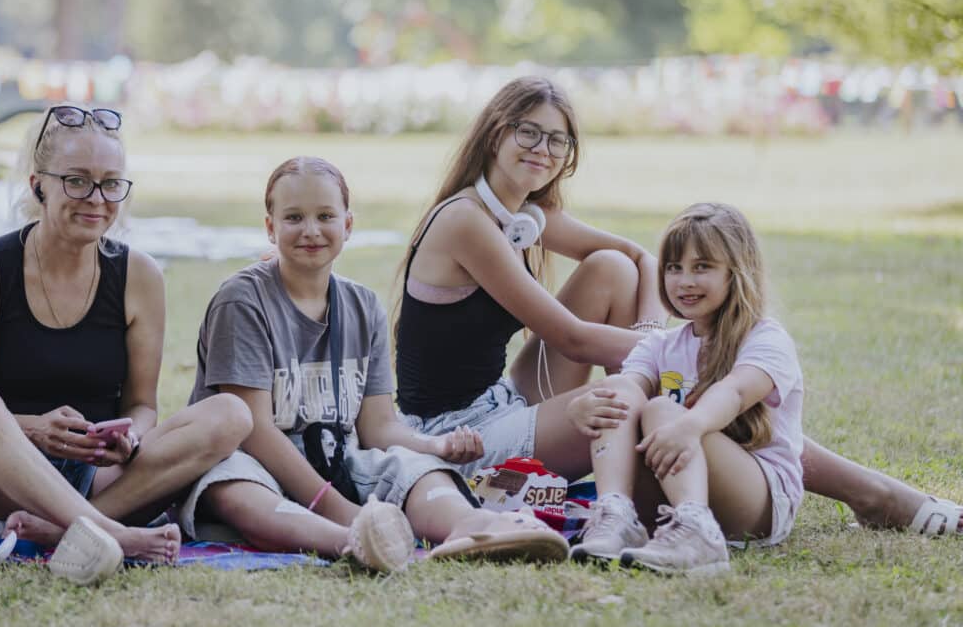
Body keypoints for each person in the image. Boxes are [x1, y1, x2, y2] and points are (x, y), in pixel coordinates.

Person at [395, 76, 961, 538]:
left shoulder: (525, 214)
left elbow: (637, 257)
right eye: (528, 133)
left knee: (611, 274)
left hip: (501, 401)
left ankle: (677, 436)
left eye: (557, 141)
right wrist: (686, 356)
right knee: (642, 397)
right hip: (453, 435)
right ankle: (874, 493)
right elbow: (570, 339)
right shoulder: (467, 220)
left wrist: (657, 340)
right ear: (496, 133)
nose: (542, 150)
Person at [177, 157, 570, 572]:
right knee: (234, 489)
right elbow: (254, 431)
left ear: (347, 225)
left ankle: (473, 526)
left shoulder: (363, 306)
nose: (311, 230)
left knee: (412, 466)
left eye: (325, 216)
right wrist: (338, 508)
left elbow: (378, 427)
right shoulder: (242, 301)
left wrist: (434, 446)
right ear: (270, 227)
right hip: (251, 459)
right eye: (293, 217)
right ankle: (355, 540)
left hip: (336, 458)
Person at [0, 104, 253, 580]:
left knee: (232, 414)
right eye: (77, 181)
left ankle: (62, 528)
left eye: (110, 183)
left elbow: (143, 405)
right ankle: (113, 533)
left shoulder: (139, 276)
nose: (96, 199)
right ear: (37, 183)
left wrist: (130, 438)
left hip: (92, 476)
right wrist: (36, 430)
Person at [571, 203, 802, 574]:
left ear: (737, 272)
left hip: (758, 501)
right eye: (674, 268)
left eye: (702, 267)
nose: (685, 281)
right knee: (616, 393)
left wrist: (690, 425)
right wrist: (587, 405)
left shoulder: (765, 338)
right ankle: (615, 514)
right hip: (671, 493)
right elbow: (627, 389)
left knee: (661, 410)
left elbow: (737, 391)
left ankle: (699, 533)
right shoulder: (659, 345)